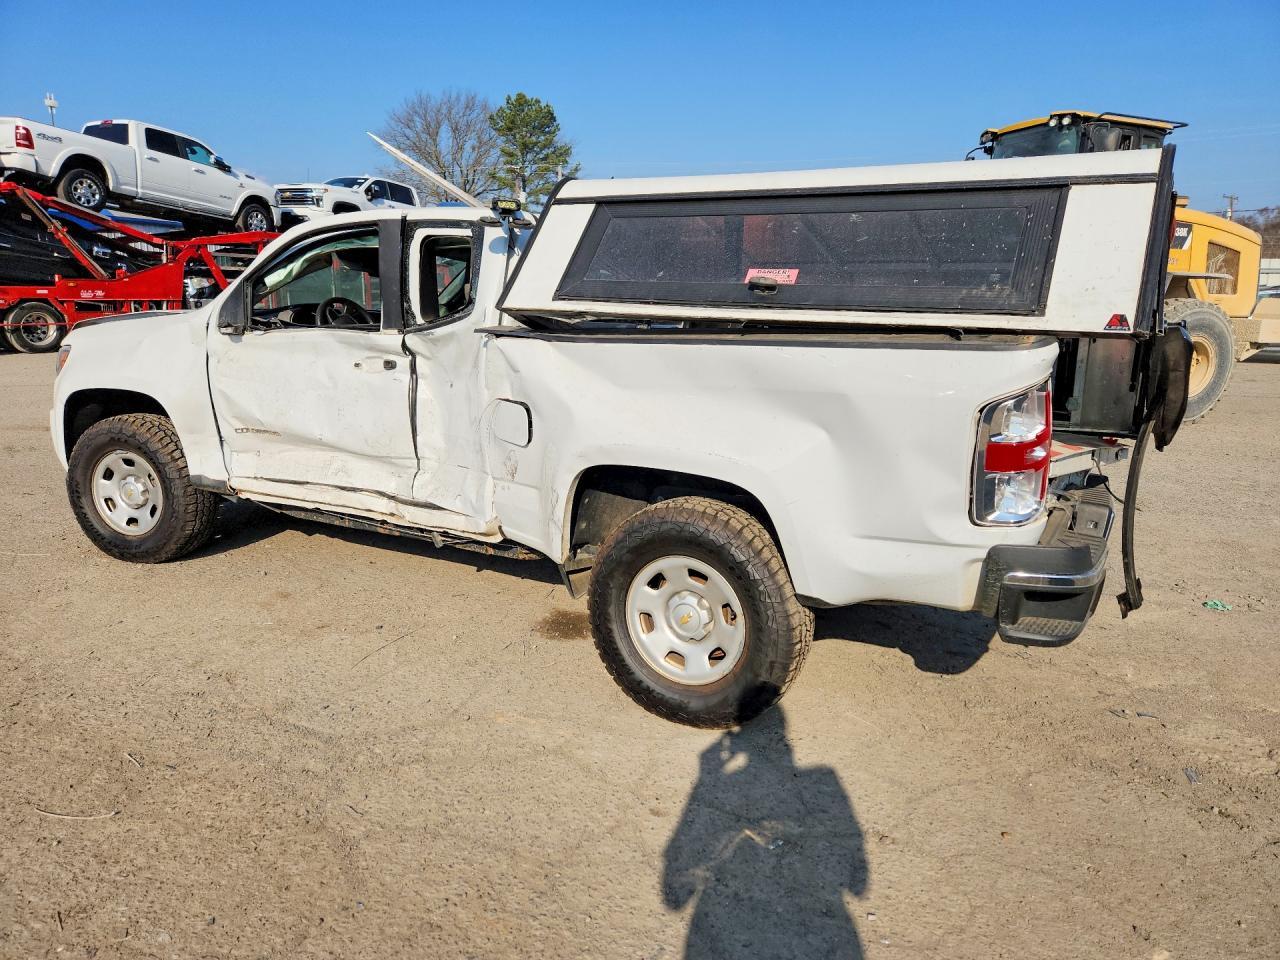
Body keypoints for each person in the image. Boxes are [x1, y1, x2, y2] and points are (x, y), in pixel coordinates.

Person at [662, 708, 868, 959]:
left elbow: (675, 897)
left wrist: (706, 778)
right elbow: (858, 881)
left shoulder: (822, 777)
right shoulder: (824, 777)